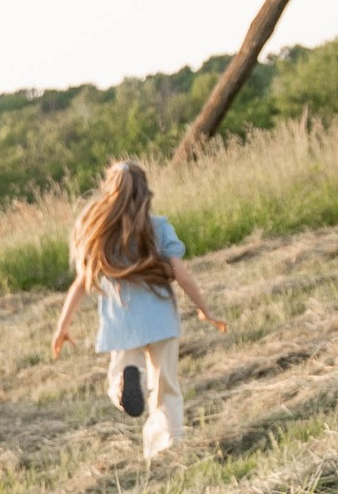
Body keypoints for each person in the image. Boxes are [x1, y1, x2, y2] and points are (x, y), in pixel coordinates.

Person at [48, 157, 223, 461]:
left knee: (119, 382)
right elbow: (182, 275)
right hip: (160, 319)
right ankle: (169, 444)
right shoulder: (158, 227)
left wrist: (63, 326)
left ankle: (125, 382)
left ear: (109, 193)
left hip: (122, 321)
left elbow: (80, 284)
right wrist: (205, 310)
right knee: (166, 386)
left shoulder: (100, 233)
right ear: (145, 191)